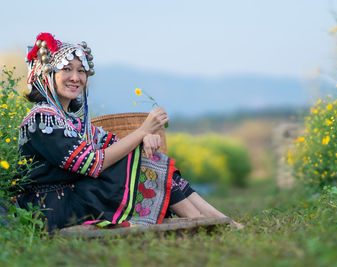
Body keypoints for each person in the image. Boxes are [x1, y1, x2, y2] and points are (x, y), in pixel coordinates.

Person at [16, 33, 241, 232]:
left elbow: (117, 144)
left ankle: (218, 220)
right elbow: (92, 163)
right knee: (141, 164)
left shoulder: (73, 121)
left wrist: (144, 139)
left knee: (148, 158)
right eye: (67, 69)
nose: (76, 78)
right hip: (49, 206)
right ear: (46, 75)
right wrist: (144, 130)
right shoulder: (41, 120)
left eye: (81, 71)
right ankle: (201, 222)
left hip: (73, 196)